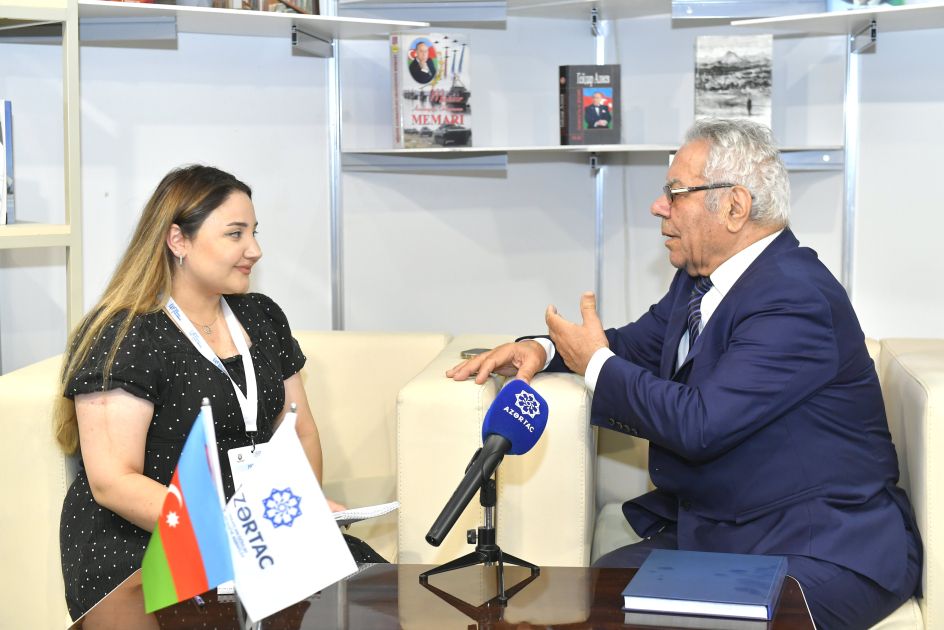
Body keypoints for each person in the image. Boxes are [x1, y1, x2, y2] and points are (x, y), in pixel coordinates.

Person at [447, 119, 921, 629]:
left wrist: (595, 362)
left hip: (819, 547)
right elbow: (632, 347)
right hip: (730, 532)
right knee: (593, 596)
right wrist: (541, 349)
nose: (658, 207)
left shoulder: (795, 297)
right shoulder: (699, 280)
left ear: (735, 206)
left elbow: (701, 424)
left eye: (675, 193)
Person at [53, 165, 356, 620]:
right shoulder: (126, 334)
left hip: (255, 538)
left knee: (367, 592)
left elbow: (301, 431)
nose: (255, 250)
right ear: (178, 240)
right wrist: (227, 535)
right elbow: (112, 482)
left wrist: (295, 516)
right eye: (235, 234)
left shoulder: (261, 316)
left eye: (254, 232)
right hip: (147, 545)